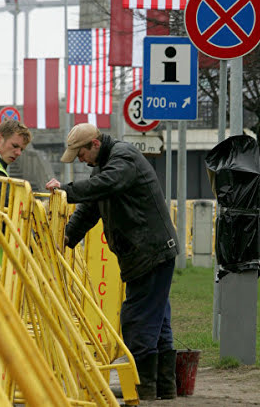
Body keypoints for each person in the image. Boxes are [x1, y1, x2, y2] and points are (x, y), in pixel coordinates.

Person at [45, 123, 179, 401]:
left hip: (150, 252)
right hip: (145, 253)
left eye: (80, 154)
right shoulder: (107, 165)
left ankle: (142, 390)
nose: (79, 160)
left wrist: (65, 191)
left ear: (94, 144)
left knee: (137, 318)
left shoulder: (123, 159)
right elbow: (89, 209)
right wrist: (66, 238)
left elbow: (104, 185)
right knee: (157, 321)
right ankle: (162, 388)